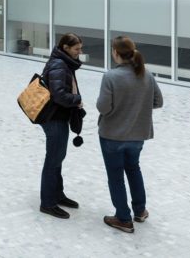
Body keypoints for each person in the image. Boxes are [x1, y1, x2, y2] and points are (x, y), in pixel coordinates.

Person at [97, 36, 164, 233]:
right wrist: (138, 108)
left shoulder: (110, 77)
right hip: (138, 135)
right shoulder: (146, 74)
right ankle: (140, 210)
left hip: (112, 136)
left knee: (115, 176)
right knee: (134, 169)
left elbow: (103, 107)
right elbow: (158, 102)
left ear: (115, 53)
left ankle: (123, 218)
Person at [38, 33, 84, 219]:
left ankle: (57, 194)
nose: (80, 52)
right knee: (53, 159)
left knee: (58, 157)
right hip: (54, 118)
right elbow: (59, 95)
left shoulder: (64, 62)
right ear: (66, 48)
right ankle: (48, 203)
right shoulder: (59, 64)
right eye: (77, 49)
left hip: (58, 116)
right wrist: (77, 99)